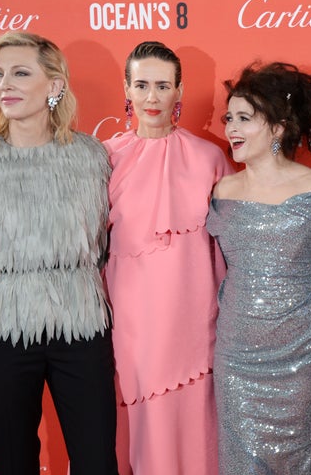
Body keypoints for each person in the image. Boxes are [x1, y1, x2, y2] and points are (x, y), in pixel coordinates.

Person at [0, 32, 118, 475]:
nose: (6, 85)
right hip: (3, 323)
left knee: (96, 459)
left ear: (54, 86)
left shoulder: (92, 157)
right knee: (11, 458)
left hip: (82, 319)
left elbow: (112, 244)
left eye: (21, 73)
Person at [206, 62, 311, 474]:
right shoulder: (223, 191)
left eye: (244, 118)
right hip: (237, 356)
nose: (231, 129)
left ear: (278, 128)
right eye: (229, 118)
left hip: (306, 355)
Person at [103, 41, 233, 475]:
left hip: (195, 324)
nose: (152, 97)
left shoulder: (209, 157)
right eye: (142, 85)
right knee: (136, 431)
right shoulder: (103, 158)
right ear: (126, 89)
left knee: (193, 434)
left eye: (163, 85)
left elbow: (234, 247)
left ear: (180, 91)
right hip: (128, 326)